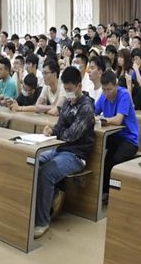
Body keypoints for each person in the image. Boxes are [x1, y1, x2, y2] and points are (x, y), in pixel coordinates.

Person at [34, 66, 96, 238]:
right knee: (32, 161)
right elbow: (60, 127)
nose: (67, 93)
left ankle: (42, 221)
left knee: (46, 173)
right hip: (59, 149)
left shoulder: (86, 107)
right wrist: (51, 130)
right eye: (65, 89)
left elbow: (71, 135)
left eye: (69, 89)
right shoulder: (68, 103)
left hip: (76, 155)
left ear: (79, 86)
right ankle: (34, 209)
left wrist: (58, 131)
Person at [95, 71, 139, 201]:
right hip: (113, 137)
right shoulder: (103, 96)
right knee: (97, 155)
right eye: (104, 89)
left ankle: (112, 195)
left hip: (129, 139)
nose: (106, 93)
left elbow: (118, 120)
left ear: (116, 85)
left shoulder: (124, 94)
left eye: (109, 89)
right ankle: (101, 192)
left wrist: (103, 120)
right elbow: (92, 111)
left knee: (114, 160)